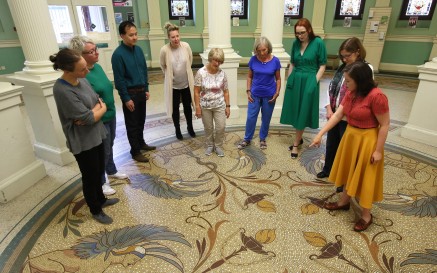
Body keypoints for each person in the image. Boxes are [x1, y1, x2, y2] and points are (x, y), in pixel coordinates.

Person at [310, 61, 390, 232]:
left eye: (348, 81)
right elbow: (338, 115)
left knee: (364, 177)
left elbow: (384, 125)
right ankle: (344, 202)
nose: (345, 84)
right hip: (351, 136)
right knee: (348, 171)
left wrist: (377, 151)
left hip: (368, 139)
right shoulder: (351, 93)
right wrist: (319, 134)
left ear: (360, 80)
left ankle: (366, 215)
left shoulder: (377, 96)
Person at [50, 48, 119, 224]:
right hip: (82, 140)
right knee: (90, 175)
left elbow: (97, 101)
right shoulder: (62, 90)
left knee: (98, 171)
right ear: (67, 70)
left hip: (95, 133)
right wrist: (91, 115)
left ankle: (101, 199)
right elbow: (88, 117)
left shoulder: (82, 79)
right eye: (82, 69)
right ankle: (95, 208)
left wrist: (95, 112)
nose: (87, 71)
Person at [69, 36, 128, 196]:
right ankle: (101, 182)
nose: (97, 53)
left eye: (96, 49)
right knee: (103, 151)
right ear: (80, 55)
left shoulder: (97, 67)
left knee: (109, 146)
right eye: (92, 51)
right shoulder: (82, 76)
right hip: (98, 119)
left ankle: (111, 170)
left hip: (110, 114)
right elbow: (87, 100)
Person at [316, 38, 372, 192]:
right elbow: (332, 88)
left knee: (345, 149)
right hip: (335, 113)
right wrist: (329, 109)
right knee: (331, 144)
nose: (344, 59)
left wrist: (341, 112)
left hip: (348, 118)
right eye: (342, 56)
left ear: (357, 52)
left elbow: (361, 94)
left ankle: (343, 179)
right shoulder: (342, 68)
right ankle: (328, 169)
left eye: (347, 56)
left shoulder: (365, 69)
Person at [280, 18, 327, 158]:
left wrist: (314, 82)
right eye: (297, 33)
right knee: (295, 109)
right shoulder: (295, 43)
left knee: (303, 110)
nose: (300, 36)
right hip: (296, 78)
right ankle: (299, 138)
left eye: (302, 33)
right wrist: (289, 80)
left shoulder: (318, 43)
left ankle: (296, 143)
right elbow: (292, 63)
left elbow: (323, 65)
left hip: (310, 79)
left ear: (309, 30)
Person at [112, 21, 156, 163]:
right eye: (131, 35)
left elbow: (143, 70)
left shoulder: (138, 50)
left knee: (141, 120)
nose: (135, 37)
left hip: (141, 91)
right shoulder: (118, 55)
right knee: (132, 123)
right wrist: (126, 98)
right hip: (130, 95)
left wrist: (146, 88)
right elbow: (119, 80)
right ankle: (135, 151)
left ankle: (141, 143)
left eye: (136, 34)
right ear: (122, 36)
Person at [238, 36, 281, 150]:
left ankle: (262, 138)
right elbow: (249, 77)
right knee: (251, 117)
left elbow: (278, 79)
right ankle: (247, 139)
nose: (261, 53)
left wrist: (277, 92)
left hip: (270, 95)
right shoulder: (253, 59)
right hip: (254, 94)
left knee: (266, 118)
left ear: (268, 48)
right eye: (259, 50)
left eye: (264, 50)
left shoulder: (275, 61)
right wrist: (248, 91)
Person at [159, 22, 196, 140]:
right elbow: (162, 65)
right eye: (173, 37)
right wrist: (170, 76)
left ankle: (190, 127)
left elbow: (190, 60)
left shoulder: (186, 46)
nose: (176, 39)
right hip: (173, 86)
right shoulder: (164, 50)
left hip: (186, 83)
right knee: (175, 109)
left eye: (177, 36)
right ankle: (177, 129)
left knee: (187, 107)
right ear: (168, 38)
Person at [194, 48, 230, 157]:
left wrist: (228, 106)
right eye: (215, 60)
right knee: (208, 127)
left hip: (219, 105)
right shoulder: (201, 72)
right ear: (210, 59)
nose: (217, 63)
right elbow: (196, 91)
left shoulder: (222, 74)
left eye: (219, 61)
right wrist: (197, 107)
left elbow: (226, 91)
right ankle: (210, 145)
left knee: (221, 127)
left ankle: (218, 145)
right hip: (205, 106)